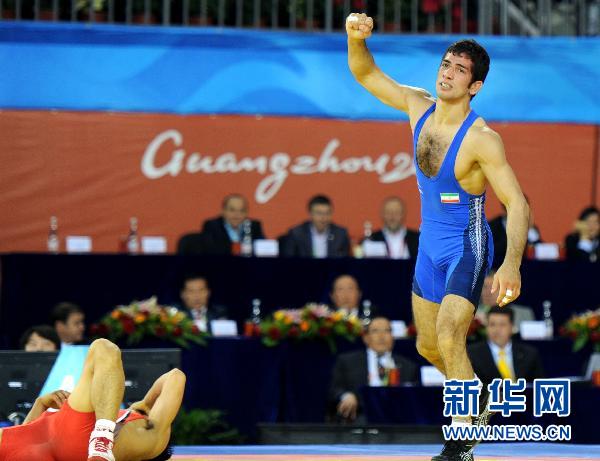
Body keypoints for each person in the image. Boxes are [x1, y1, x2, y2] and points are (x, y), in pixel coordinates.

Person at [347, 15, 529, 461]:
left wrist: (510, 264)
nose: (447, 73)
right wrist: (355, 39)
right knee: (428, 346)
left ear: (475, 86)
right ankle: (477, 394)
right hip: (429, 248)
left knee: (450, 336)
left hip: (467, 246)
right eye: (446, 64)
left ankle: (461, 445)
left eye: (459, 70)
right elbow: (366, 74)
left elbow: (518, 204)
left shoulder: (483, 140)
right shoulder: (418, 107)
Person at [0, 338, 184, 461]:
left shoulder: (157, 437)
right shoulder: (147, 437)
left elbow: (175, 376)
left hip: (70, 433)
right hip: (43, 443)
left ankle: (102, 440)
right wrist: (40, 403)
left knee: (104, 348)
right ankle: (101, 442)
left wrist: (146, 403)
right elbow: (25, 431)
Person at [329, 316, 418, 423]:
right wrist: (346, 396)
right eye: (375, 331)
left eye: (387, 331)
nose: (381, 336)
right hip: (360, 416)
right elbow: (335, 389)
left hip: (397, 419)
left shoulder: (408, 366)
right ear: (366, 338)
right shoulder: (347, 361)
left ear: (392, 337)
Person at [468, 306, 544, 384]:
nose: (497, 330)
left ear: (512, 327)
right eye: (492, 324)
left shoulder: (529, 354)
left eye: (502, 325)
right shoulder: (471, 354)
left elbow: (539, 385)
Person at [182, 194, 265, 255]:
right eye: (232, 210)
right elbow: (210, 251)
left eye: (241, 211)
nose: (237, 214)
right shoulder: (212, 226)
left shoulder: (254, 226)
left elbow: (263, 250)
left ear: (247, 213)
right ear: (223, 211)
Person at [281, 195, 350, 258]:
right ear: (310, 214)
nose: (323, 217)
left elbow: (345, 261)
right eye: (319, 213)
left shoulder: (340, 234)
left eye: (327, 213)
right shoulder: (297, 234)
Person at [488, 197, 541, 268]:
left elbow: (539, 249)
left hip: (525, 269)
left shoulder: (530, 227)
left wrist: (530, 230)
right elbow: (492, 251)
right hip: (498, 269)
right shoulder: (492, 226)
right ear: (505, 209)